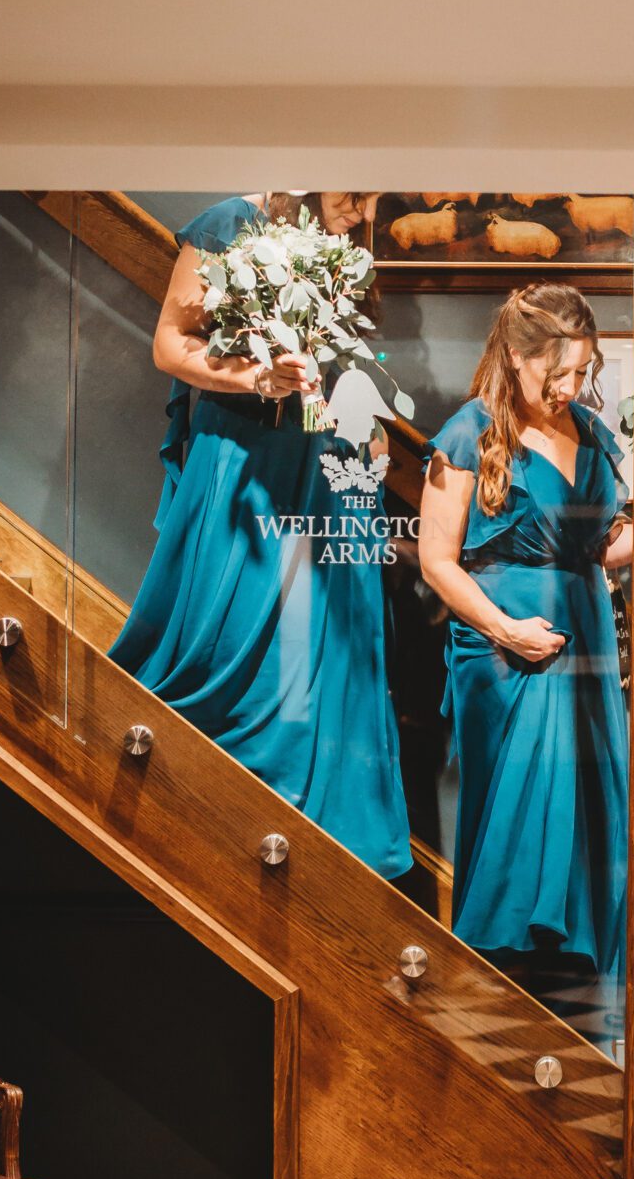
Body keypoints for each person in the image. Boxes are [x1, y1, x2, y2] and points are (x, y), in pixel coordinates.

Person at [110, 193, 412, 881]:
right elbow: (169, 343)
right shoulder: (228, 224)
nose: (362, 205)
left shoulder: (347, 243)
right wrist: (255, 376)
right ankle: (205, 793)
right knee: (231, 610)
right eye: (352, 190)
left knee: (330, 628)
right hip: (245, 447)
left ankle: (320, 823)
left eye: (372, 193)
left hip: (321, 452)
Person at [418, 284, 634, 1001]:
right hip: (504, 654)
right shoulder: (467, 435)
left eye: (584, 371)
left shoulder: (595, 434)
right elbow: (436, 561)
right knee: (516, 820)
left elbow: (592, 552)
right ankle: (493, 991)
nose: (573, 388)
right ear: (515, 357)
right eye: (558, 374)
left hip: (587, 643)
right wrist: (504, 628)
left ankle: (564, 1003)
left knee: (584, 821)